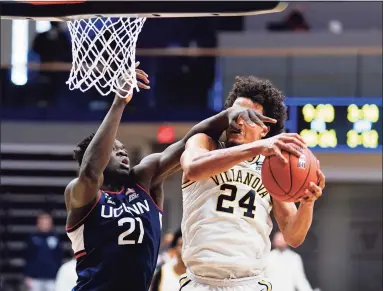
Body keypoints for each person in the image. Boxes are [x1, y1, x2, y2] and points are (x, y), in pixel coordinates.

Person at [65, 66, 277, 291]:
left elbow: (188, 141)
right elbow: (90, 171)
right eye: (113, 150)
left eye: (123, 147)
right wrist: (119, 103)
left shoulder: (144, 180)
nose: (122, 152)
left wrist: (228, 116)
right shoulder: (82, 195)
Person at [179, 76, 326, 291]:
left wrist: (308, 203)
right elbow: (193, 168)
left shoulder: (272, 167)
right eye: (236, 114)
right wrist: (256, 148)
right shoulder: (205, 143)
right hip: (200, 282)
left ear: (265, 129)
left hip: (248, 283)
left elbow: (293, 236)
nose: (239, 122)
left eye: (250, 118)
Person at [24, 212, 63, 291]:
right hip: (35, 278)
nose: (45, 225)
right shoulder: (32, 238)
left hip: (52, 277)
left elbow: (59, 257)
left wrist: (59, 275)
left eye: (47, 222)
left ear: (51, 224)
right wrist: (27, 275)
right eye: (43, 222)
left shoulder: (56, 238)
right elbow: (27, 257)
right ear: (38, 224)